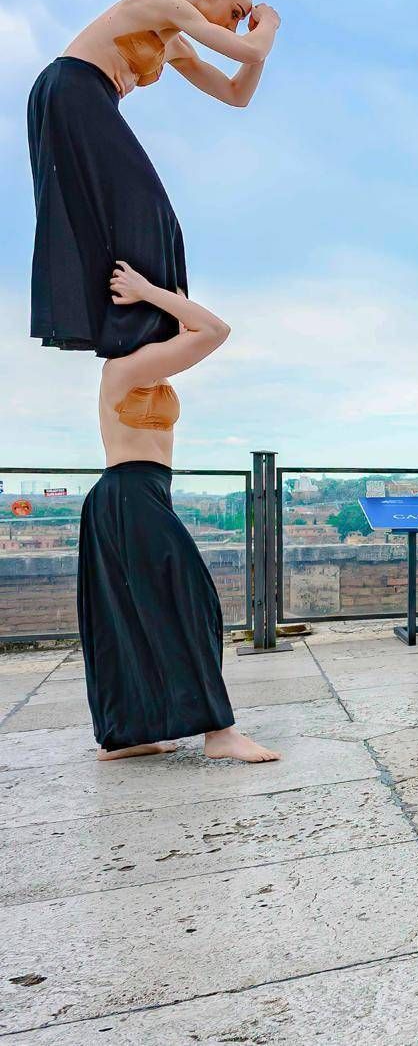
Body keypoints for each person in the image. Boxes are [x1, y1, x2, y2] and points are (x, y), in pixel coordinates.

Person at [29, 0, 279, 358]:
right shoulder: (159, 4)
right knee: (147, 203)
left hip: (88, 97)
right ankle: (136, 321)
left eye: (242, 19)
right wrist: (267, 25)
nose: (236, 24)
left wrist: (259, 46)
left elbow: (237, 94)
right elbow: (246, 50)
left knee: (144, 211)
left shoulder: (175, 41)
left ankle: (136, 320)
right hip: (74, 86)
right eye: (235, 12)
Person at [78, 262, 278, 763]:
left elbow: (196, 328)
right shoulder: (124, 367)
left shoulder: (149, 368)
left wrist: (160, 294)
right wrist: (149, 290)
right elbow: (214, 330)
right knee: (190, 604)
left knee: (134, 613)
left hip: (139, 497)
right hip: (129, 496)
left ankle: (129, 733)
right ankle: (218, 733)